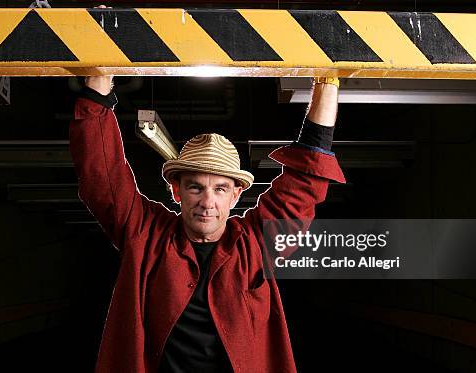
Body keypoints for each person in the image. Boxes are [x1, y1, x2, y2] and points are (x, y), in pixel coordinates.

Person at [69, 74, 345, 373]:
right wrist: (99, 85)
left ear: (236, 195)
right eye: (195, 187)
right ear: (177, 190)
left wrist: (327, 83)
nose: (207, 202)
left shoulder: (254, 244)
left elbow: (303, 185)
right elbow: (103, 180)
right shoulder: (145, 235)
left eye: (220, 189)